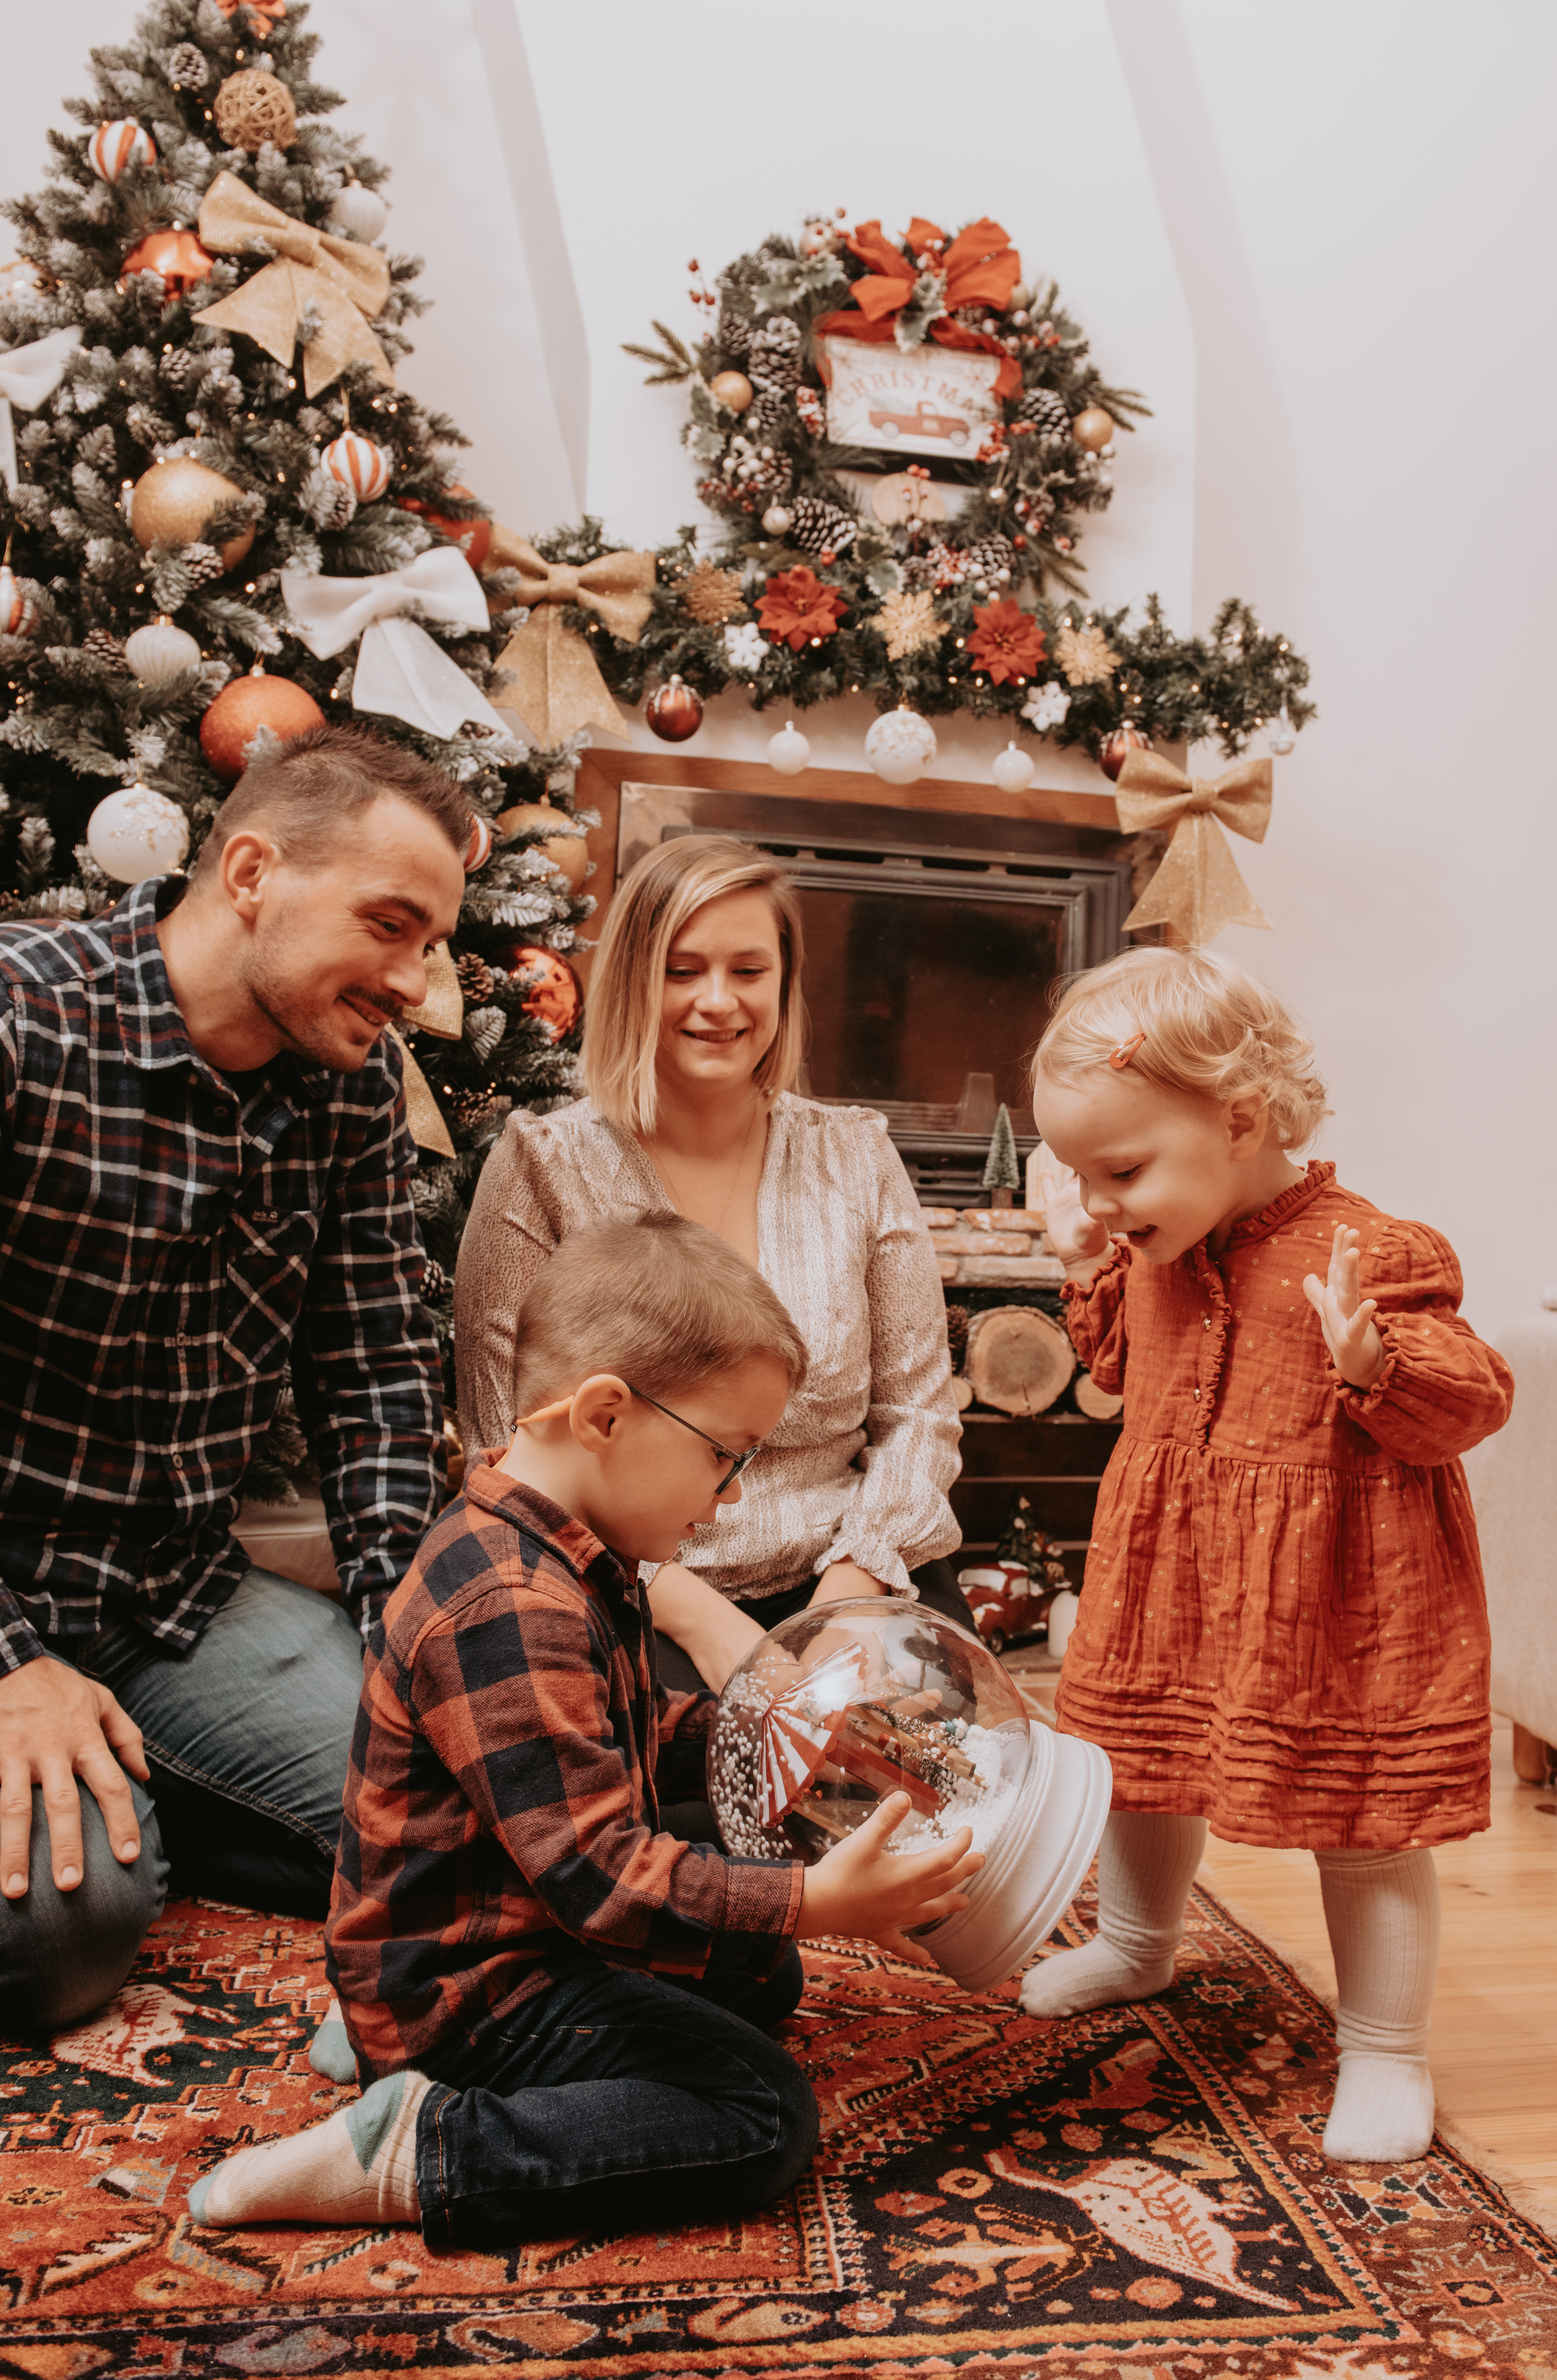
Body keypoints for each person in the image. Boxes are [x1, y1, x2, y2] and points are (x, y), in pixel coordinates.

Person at [187, 1213, 981, 2245]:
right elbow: (602, 1879)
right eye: (725, 1455)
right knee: (762, 2112)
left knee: (759, 1970)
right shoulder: (509, 1602)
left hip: (483, 1935)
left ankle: (387, 2037)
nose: (730, 1494)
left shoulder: (559, 1554)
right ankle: (422, 2140)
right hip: (477, 1983)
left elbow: (628, 1736)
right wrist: (815, 1897)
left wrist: (799, 1734)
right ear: (606, 1413)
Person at [0, 723, 468, 2030]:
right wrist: (8, 1665)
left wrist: (404, 1645)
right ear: (251, 871)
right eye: (389, 925)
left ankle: (150, 1802)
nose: (416, 985)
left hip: (177, 1595)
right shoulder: (21, 1019)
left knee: (459, 1828)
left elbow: (377, 1383)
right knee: (57, 1940)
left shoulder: (354, 1087)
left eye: (430, 943)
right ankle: (127, 1819)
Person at [1019, 946, 1512, 2164]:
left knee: (1366, 1819)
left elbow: (1476, 1399)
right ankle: (1138, 1943)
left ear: (1239, 1119)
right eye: (1083, 1175)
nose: (1101, 1202)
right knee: (1144, 1760)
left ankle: (1388, 2048)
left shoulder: (1379, 1252)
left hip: (1339, 1594)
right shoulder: (1155, 1250)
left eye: (1120, 1170)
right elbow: (1125, 1368)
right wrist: (1090, 1259)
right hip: (1175, 1567)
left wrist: (1373, 1364)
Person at [454, 834, 967, 1710]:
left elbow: (919, 1414)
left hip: (851, 1571)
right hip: (626, 1593)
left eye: (749, 970)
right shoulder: (540, 1164)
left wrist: (847, 1602)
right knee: (704, 1817)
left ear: (783, 983)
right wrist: (693, 1616)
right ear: (631, 980)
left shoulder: (858, 1154)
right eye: (682, 969)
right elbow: (506, 1446)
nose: (719, 1002)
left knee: (947, 1775)